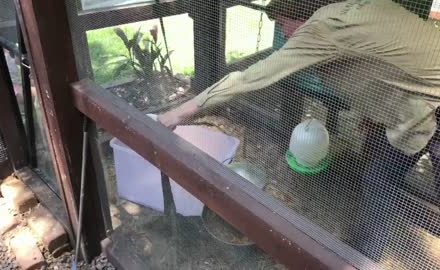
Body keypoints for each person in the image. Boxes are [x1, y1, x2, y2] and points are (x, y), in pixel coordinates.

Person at [158, 0, 440, 262]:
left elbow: (248, 79)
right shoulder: (347, 10)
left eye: (283, 24)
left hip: (434, 107)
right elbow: (386, 65)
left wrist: (179, 113)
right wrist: (376, 115)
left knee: (379, 180)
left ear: (299, 17)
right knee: (378, 177)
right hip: (425, 100)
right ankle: (369, 247)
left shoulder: (320, 29)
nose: (283, 33)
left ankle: (366, 257)